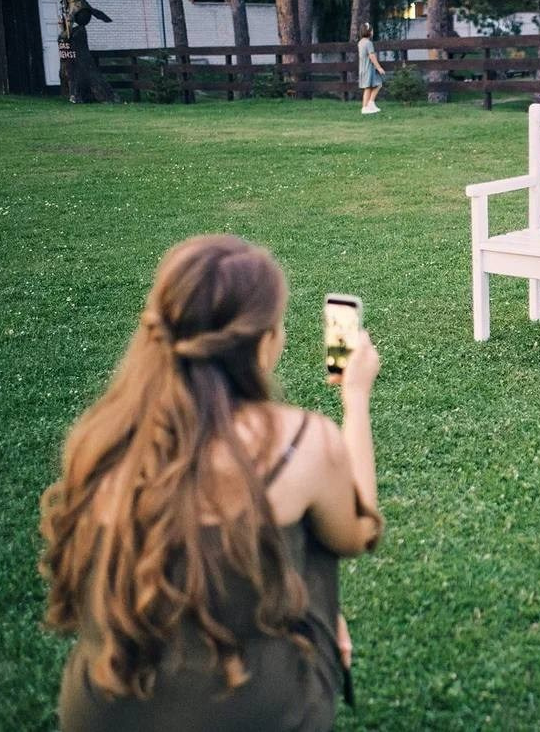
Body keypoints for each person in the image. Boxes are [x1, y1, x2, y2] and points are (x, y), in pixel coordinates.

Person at [40, 234, 384, 731]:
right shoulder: (302, 442)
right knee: (314, 545)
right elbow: (358, 533)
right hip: (252, 711)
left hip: (106, 704)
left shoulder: (99, 439)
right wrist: (355, 398)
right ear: (264, 342)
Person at [357, 24, 386, 114]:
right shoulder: (368, 43)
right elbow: (372, 56)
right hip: (368, 68)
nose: (373, 32)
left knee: (371, 86)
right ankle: (369, 104)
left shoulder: (360, 42)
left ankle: (367, 106)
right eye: (372, 30)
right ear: (369, 32)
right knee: (375, 85)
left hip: (363, 67)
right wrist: (379, 67)